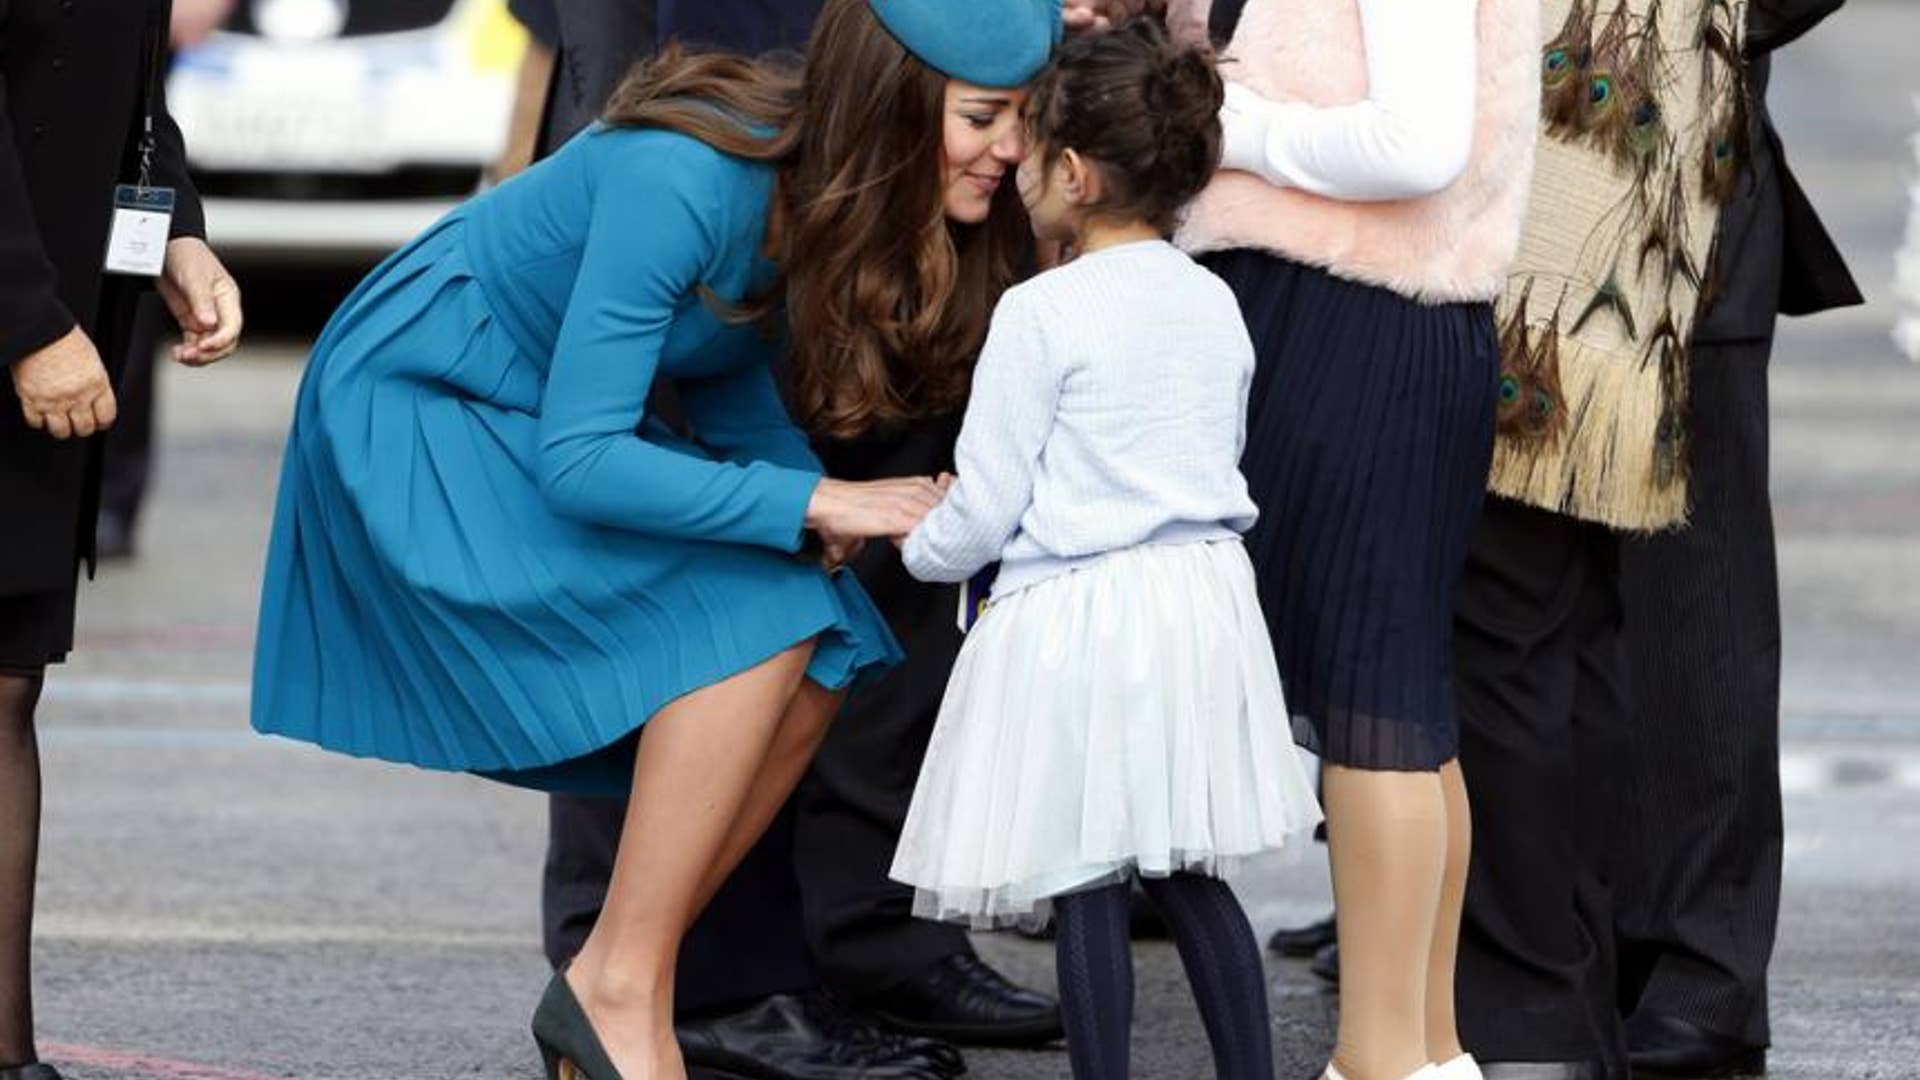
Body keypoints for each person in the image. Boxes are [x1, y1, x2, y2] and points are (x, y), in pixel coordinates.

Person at [247, 0, 1061, 1077]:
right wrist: (820, 506)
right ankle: (621, 989)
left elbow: (723, 380)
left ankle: (617, 981)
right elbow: (581, 460)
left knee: (825, 637)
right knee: (759, 620)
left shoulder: (808, 188)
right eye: (983, 116)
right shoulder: (685, 175)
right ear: (896, 105)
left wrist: (805, 496)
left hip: (529, 412)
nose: (1012, 149)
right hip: (424, 403)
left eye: (1021, 120)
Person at [888, 21, 1321, 1080]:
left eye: (1031, 147)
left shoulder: (1040, 312)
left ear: (1072, 174)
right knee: (1188, 870)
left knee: (1085, 875)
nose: (1017, 166)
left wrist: (919, 546)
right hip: (1201, 601)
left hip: (1082, 613)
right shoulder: (1215, 299)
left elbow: (987, 509)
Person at [1170, 0, 1541, 1077]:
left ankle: (1382, 1058)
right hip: (1356, 312)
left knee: (1376, 706)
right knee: (1398, 707)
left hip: (1356, 316)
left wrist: (1227, 130)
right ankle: (1421, 1052)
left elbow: (1416, 143)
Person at [1609, 2, 1859, 1075]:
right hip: (1503, 209)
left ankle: (1703, 971)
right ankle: (1589, 941)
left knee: (1695, 614)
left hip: (1682, 204)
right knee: (1549, 614)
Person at [1, 2, 244, 1078]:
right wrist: (28, 324)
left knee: (5, 680)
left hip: (56, 314)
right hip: (25, 316)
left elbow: (122, 80)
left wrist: (176, 231)